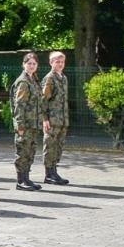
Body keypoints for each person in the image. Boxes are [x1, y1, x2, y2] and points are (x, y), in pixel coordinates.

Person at [12, 51, 45, 192]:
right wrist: (20, 125)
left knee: (30, 151)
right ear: (23, 64)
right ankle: (21, 180)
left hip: (34, 124)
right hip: (25, 125)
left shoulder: (34, 80)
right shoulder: (23, 82)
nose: (31, 66)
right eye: (29, 63)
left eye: (34, 64)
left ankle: (26, 178)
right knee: (23, 152)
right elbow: (19, 105)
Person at [42, 50, 70, 185]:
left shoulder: (63, 78)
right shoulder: (49, 78)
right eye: (57, 62)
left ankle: (54, 171)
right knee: (50, 146)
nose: (60, 64)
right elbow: (43, 100)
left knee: (58, 146)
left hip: (62, 119)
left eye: (62, 62)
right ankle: (49, 174)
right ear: (51, 62)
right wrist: (45, 119)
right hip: (52, 120)